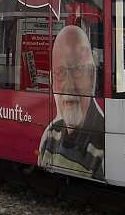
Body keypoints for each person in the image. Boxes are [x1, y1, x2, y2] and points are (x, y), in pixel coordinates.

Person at [38, 25, 105, 179]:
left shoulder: (104, 147)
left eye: (76, 70)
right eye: (60, 72)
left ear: (92, 75)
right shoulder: (51, 134)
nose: (69, 86)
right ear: (52, 81)